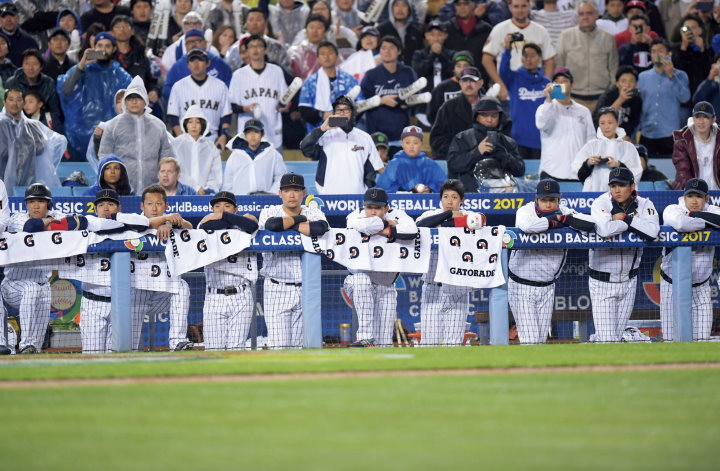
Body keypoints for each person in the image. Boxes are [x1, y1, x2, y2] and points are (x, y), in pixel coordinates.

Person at [509, 179, 595, 344]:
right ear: (536, 199)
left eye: (552, 200)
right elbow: (528, 226)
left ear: (559, 199)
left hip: (548, 287)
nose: (548, 204)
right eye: (544, 200)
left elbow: (591, 224)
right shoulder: (526, 211)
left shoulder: (564, 211)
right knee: (531, 341)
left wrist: (567, 219)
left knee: (540, 340)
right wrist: (557, 221)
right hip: (521, 286)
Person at [258, 173, 329, 349]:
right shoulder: (269, 212)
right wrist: (300, 221)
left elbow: (321, 227)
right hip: (277, 287)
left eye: (296, 190)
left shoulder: (313, 211)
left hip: (306, 290)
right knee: (279, 346)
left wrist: (290, 225)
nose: (291, 194)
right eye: (287, 190)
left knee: (298, 348)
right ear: (280, 193)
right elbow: (272, 226)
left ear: (303, 192)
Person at [589, 167, 659, 342]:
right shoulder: (601, 203)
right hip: (602, 281)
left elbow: (652, 232)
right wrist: (634, 225)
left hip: (629, 281)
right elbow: (605, 229)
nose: (617, 190)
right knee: (607, 340)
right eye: (613, 185)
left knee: (617, 338)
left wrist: (626, 219)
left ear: (632, 186)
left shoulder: (645, 204)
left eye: (621, 185)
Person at [80, 188, 151, 353]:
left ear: (119, 208)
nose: (106, 208)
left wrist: (168, 222)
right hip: (92, 302)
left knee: (121, 357)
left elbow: (147, 222)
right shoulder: (88, 226)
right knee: (92, 357)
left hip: (123, 303)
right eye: (101, 205)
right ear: (95, 209)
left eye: (111, 204)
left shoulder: (130, 229)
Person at [344, 187, 418, 347]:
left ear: (386, 207)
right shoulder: (355, 215)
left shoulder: (399, 214)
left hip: (386, 285)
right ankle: (364, 336)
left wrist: (384, 228)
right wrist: (388, 225)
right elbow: (358, 224)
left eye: (377, 207)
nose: (372, 211)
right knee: (361, 281)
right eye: (369, 207)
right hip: (357, 278)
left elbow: (412, 231)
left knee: (384, 341)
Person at [416, 179, 486, 346]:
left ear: (461, 200)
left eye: (454, 197)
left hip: (458, 287)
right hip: (432, 287)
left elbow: (481, 220)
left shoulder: (470, 215)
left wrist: (448, 220)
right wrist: (448, 215)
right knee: (429, 343)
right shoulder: (429, 215)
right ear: (440, 199)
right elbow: (419, 225)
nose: (449, 201)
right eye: (445, 196)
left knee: (453, 343)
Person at [1, 184, 68, 353]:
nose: (35, 206)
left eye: (40, 201)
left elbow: (74, 222)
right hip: (13, 284)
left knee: (36, 347)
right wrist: (49, 222)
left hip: (42, 285)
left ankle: (30, 352)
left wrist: (52, 222)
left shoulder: (58, 216)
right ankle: (25, 343)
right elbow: (31, 227)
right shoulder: (17, 219)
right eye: (31, 201)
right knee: (31, 289)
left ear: (49, 204)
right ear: (26, 204)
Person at [197, 191, 260, 351]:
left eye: (227, 206)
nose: (221, 209)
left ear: (235, 209)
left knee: (237, 350)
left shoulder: (245, 224)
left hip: (242, 295)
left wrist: (224, 216)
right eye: (217, 207)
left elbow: (252, 225)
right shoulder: (205, 224)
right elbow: (207, 226)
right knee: (212, 350)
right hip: (214, 296)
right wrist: (226, 217)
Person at [137, 184, 195, 351]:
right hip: (138, 294)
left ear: (166, 206)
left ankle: (178, 342)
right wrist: (163, 221)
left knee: (182, 287)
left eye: (159, 204)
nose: (154, 208)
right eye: (149, 204)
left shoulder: (171, 223)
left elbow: (189, 227)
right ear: (142, 206)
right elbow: (144, 225)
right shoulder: (135, 221)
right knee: (131, 346)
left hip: (162, 294)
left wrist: (171, 223)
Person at [661, 178, 720, 342]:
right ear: (684, 197)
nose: (694, 201)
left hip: (701, 289)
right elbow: (681, 224)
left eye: (699, 196)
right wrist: (708, 222)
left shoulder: (714, 208)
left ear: (707, 198)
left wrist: (695, 216)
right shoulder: (672, 209)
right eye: (690, 196)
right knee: (671, 341)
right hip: (672, 287)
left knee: (702, 340)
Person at [58, 31, 132, 159]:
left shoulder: (122, 76)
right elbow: (65, 90)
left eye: (107, 46)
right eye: (100, 45)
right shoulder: (82, 70)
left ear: (114, 49)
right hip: (80, 138)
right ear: (94, 48)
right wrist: (81, 65)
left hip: (113, 138)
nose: (103, 49)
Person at [99, 76, 175, 192]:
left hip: (152, 189)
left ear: (145, 100)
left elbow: (166, 157)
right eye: (130, 98)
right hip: (121, 189)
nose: (134, 101)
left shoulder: (158, 125)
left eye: (138, 98)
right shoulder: (113, 125)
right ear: (125, 101)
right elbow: (104, 156)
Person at [300, 96, 384, 194]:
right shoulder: (325, 135)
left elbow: (373, 169)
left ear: (353, 113)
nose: (342, 113)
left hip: (357, 197)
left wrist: (365, 190)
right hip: (328, 196)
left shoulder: (365, 138)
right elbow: (305, 148)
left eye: (346, 110)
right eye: (338, 110)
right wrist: (321, 129)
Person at [482, 0, 555, 102]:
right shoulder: (499, 29)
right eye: (516, 6)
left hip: (534, 90)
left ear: (529, 6)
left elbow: (549, 60)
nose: (520, 10)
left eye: (524, 6)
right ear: (510, 7)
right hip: (508, 88)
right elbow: (486, 59)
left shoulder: (541, 30)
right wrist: (500, 85)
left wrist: (545, 85)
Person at [447, 97, 525, 192]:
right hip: (469, 194)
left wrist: (505, 156)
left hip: (501, 194)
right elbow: (453, 166)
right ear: (476, 116)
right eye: (484, 115)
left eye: (494, 115)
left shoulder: (508, 142)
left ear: (500, 117)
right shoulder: (462, 138)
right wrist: (477, 152)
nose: (489, 119)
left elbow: (520, 171)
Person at [554, 0, 617, 112]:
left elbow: (613, 69)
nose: (585, 17)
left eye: (589, 13)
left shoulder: (608, 38)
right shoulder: (566, 36)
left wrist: (610, 96)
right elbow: (558, 69)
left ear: (597, 14)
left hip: (602, 98)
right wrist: (559, 100)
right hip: (573, 98)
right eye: (581, 14)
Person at [535, 68, 595, 181]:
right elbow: (541, 125)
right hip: (551, 173)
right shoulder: (544, 108)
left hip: (578, 173)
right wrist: (548, 99)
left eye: (564, 81)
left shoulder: (584, 111)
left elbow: (591, 140)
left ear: (572, 86)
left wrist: (587, 166)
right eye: (557, 82)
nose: (560, 84)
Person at [229, 35, 287, 148]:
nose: (255, 50)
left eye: (259, 46)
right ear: (247, 51)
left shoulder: (277, 71)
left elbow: (285, 99)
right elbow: (232, 106)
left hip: (272, 131)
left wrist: (285, 106)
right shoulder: (238, 75)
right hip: (247, 133)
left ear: (264, 49)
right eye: (252, 47)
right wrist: (246, 108)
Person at [0, 88, 66, 188]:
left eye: (19, 99)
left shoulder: (32, 126)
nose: (15, 103)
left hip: (28, 178)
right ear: (4, 102)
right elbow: (3, 152)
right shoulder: (1, 124)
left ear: (23, 103)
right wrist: (27, 143)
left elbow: (41, 149)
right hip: (3, 178)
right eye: (11, 99)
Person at [168, 47, 232, 147]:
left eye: (200, 60)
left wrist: (223, 135)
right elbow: (173, 116)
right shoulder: (178, 86)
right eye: (192, 61)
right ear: (188, 65)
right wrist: (180, 138)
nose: (196, 64)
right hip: (186, 139)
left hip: (212, 139)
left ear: (208, 63)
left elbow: (226, 115)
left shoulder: (220, 86)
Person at [637, 38, 690, 159]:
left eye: (660, 51)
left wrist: (671, 75)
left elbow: (685, 98)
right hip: (647, 133)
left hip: (669, 134)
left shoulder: (680, 75)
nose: (656, 54)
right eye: (653, 51)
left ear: (669, 54)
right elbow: (639, 105)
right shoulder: (642, 77)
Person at [360, 35, 418, 142]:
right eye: (384, 48)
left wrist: (407, 102)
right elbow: (361, 103)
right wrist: (382, 101)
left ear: (399, 51)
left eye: (391, 48)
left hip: (401, 133)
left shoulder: (408, 72)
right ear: (380, 51)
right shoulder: (371, 75)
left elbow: (417, 97)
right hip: (375, 134)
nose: (387, 51)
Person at [573, 107, 642, 191]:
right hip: (594, 193)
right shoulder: (591, 145)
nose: (606, 127)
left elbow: (636, 174)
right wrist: (588, 164)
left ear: (617, 123)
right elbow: (579, 173)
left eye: (610, 123)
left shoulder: (628, 147)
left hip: (620, 195)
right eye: (602, 123)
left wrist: (618, 165)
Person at [499, 42, 550, 158]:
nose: (528, 59)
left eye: (532, 55)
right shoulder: (513, 78)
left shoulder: (547, 83)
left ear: (540, 59)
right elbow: (503, 71)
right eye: (525, 55)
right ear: (521, 59)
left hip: (541, 138)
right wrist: (507, 50)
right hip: (518, 138)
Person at [299, 41, 359, 133]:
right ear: (318, 58)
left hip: (346, 133)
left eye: (330, 53)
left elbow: (360, 106)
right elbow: (304, 110)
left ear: (337, 56)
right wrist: (322, 115)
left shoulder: (350, 80)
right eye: (323, 54)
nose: (326, 56)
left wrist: (343, 115)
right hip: (318, 133)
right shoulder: (310, 82)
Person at [162, 29, 233, 101]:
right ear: (185, 46)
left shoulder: (217, 62)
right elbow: (167, 90)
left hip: (214, 106)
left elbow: (230, 83)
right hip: (188, 108)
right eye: (189, 42)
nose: (193, 44)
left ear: (205, 43)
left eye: (198, 41)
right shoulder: (177, 67)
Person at [431, 66, 485, 160]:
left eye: (472, 80)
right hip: (456, 162)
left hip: (485, 160)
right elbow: (436, 140)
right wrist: (458, 152)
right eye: (464, 81)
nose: (468, 84)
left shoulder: (491, 106)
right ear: (460, 83)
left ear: (481, 83)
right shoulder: (447, 107)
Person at [223, 119, 287, 195]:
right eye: (249, 132)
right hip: (240, 201)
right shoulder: (235, 155)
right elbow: (227, 182)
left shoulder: (273, 154)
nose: (252, 136)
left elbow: (281, 177)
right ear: (245, 135)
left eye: (256, 132)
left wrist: (271, 194)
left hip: (265, 201)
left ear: (262, 134)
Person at [377, 126, 446, 193]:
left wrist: (429, 189)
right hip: (400, 204)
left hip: (427, 203)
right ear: (402, 144)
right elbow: (382, 191)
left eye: (415, 143)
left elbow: (444, 187)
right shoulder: (394, 164)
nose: (411, 146)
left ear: (421, 144)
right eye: (407, 142)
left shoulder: (430, 164)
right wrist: (411, 192)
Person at [170, 105, 222, 194]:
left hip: (205, 194)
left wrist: (207, 188)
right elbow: (174, 171)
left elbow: (215, 173)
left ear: (202, 125)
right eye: (190, 122)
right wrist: (195, 187)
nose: (194, 126)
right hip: (180, 193)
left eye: (197, 122)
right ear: (185, 124)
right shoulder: (176, 144)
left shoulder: (210, 146)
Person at [6, 49, 62, 128]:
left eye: (35, 64)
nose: (30, 68)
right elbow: (8, 111)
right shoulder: (12, 83)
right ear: (22, 65)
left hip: (43, 126)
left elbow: (55, 111)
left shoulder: (48, 83)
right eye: (27, 64)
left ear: (41, 66)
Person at [672, 101, 720, 189]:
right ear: (693, 119)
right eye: (697, 117)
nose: (701, 121)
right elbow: (683, 172)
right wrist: (694, 193)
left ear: (713, 119)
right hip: (691, 192)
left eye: (706, 117)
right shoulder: (682, 141)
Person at [226, 8, 291, 73]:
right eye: (251, 20)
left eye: (258, 20)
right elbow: (229, 72)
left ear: (265, 23)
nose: (254, 23)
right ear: (246, 23)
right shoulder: (236, 48)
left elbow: (286, 71)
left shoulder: (277, 47)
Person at [110, 15, 158, 103]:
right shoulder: (107, 55)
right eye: (118, 27)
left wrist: (153, 91)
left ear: (132, 31)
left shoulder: (141, 54)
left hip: (138, 102)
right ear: (112, 32)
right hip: (113, 102)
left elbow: (150, 80)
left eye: (125, 26)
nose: (122, 29)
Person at [428, 50, 475, 125]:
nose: (462, 69)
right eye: (458, 66)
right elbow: (431, 115)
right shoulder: (441, 88)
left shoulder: (477, 88)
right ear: (453, 68)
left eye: (466, 66)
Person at [672, 14, 714, 97]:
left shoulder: (708, 49)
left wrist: (702, 50)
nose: (689, 31)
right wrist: (683, 46)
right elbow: (675, 72)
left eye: (693, 28)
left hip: (703, 95)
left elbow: (708, 72)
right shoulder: (676, 49)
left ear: (700, 30)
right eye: (686, 28)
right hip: (683, 96)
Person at [594, 66, 642, 139]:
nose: (627, 85)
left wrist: (627, 136)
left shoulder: (637, 100)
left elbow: (634, 123)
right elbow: (601, 119)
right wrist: (620, 99)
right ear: (617, 83)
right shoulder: (607, 96)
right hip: (603, 136)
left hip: (624, 137)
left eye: (631, 81)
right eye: (623, 81)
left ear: (636, 84)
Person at [411, 20, 455, 98]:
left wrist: (440, 55)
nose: (436, 38)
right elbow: (418, 73)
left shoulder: (452, 54)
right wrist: (433, 55)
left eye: (439, 34)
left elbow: (453, 72)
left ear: (445, 36)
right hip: (425, 98)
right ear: (426, 36)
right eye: (432, 35)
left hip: (447, 97)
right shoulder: (419, 54)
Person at [443, 0, 492, 68]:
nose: (462, 7)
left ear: (473, 5)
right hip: (453, 74)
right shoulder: (447, 28)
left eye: (466, 3)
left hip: (479, 74)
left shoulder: (486, 29)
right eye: (458, 4)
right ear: (455, 7)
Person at [377, 0, 424, 65]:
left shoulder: (416, 32)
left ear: (409, 9)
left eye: (404, 6)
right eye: (396, 5)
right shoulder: (381, 30)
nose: (400, 9)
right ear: (391, 8)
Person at [288, 14, 331, 79]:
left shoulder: (331, 52)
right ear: (306, 31)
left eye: (319, 28)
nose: (315, 31)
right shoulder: (296, 52)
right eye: (311, 27)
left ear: (325, 32)